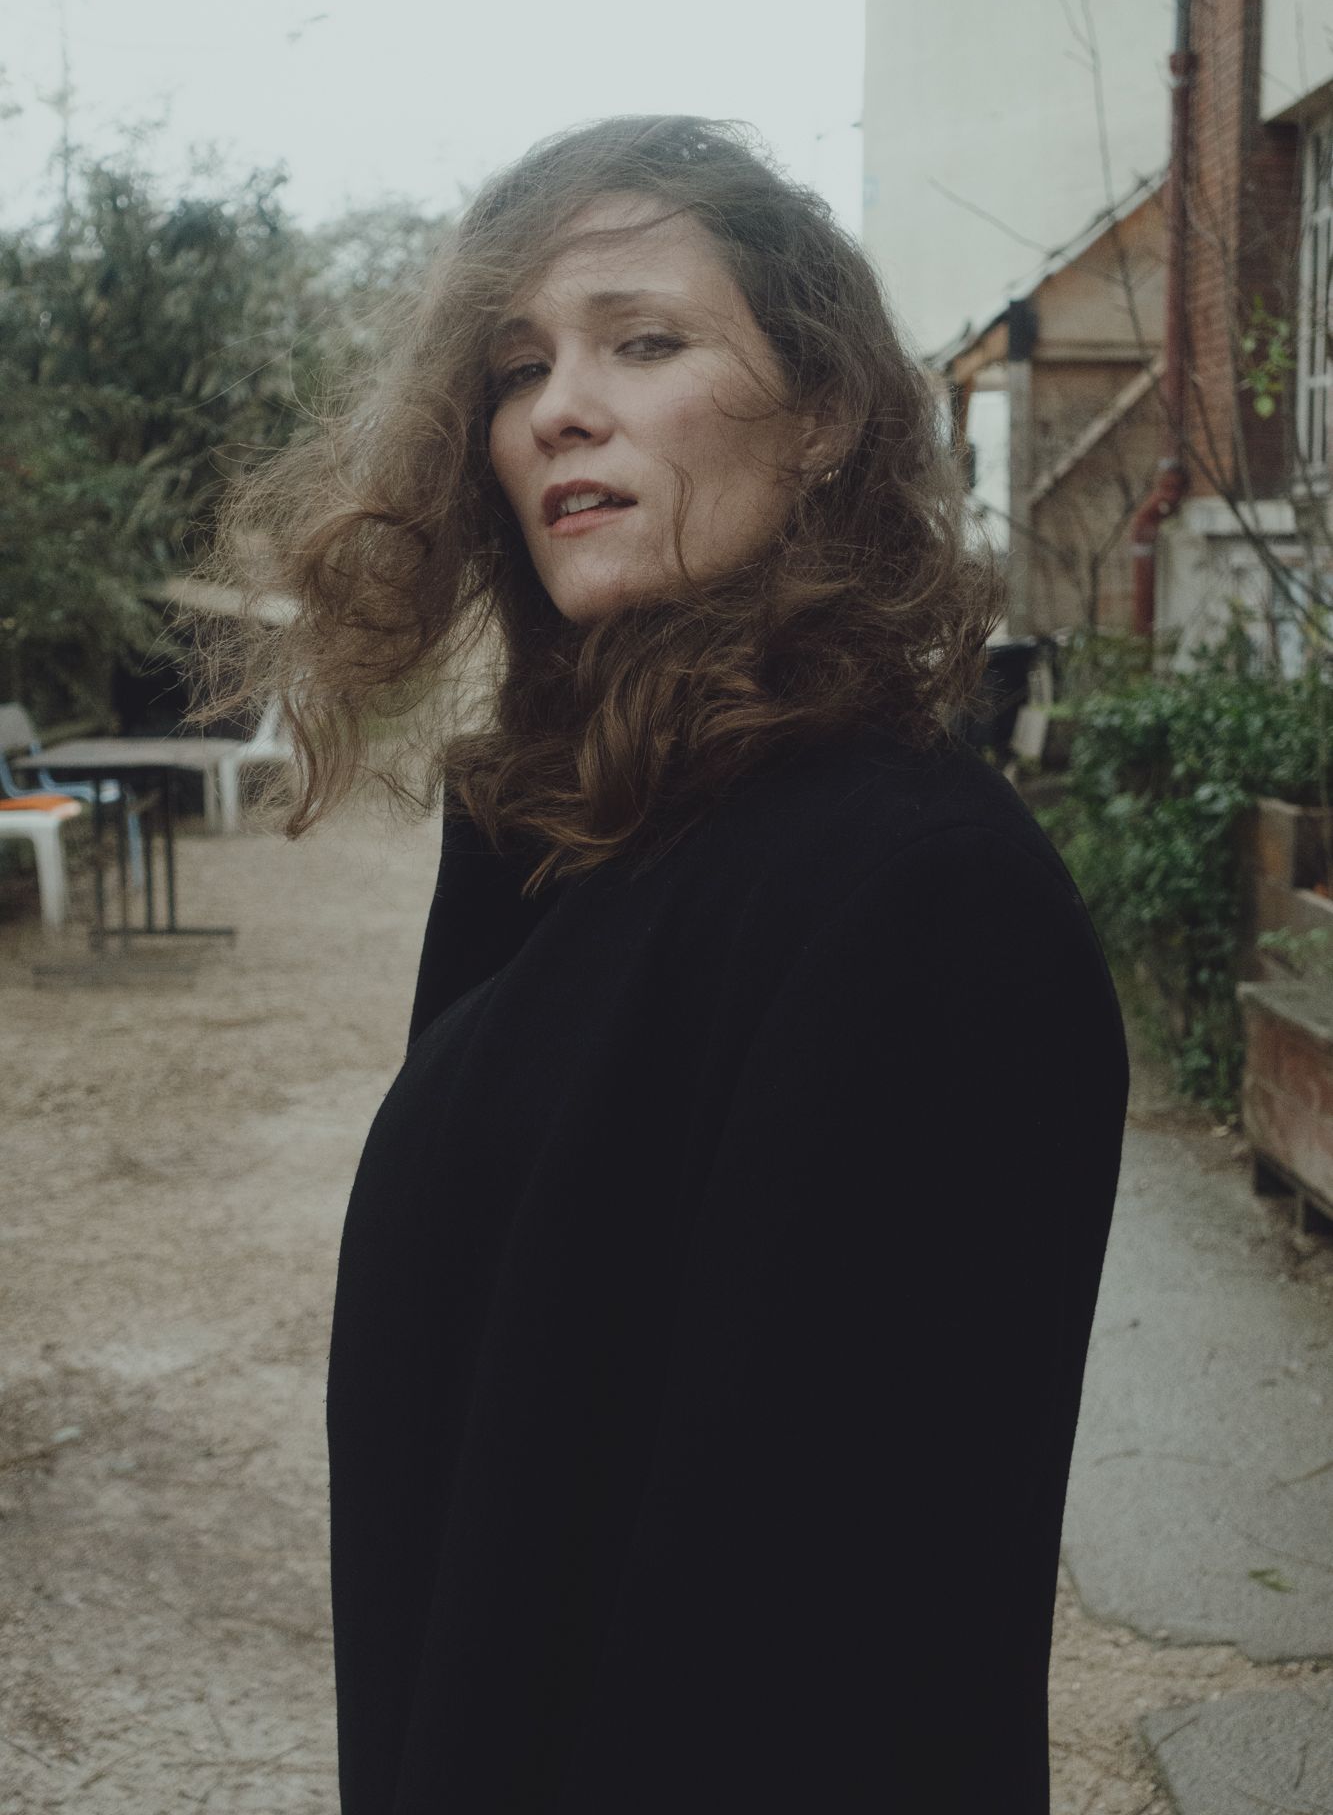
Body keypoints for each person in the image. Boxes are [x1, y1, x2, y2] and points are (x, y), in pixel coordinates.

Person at [199, 114, 1128, 1813]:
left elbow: (821, 1649)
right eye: (517, 366)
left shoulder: (915, 898)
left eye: (642, 341)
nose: (557, 407)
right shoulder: (568, 838)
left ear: (821, 412)